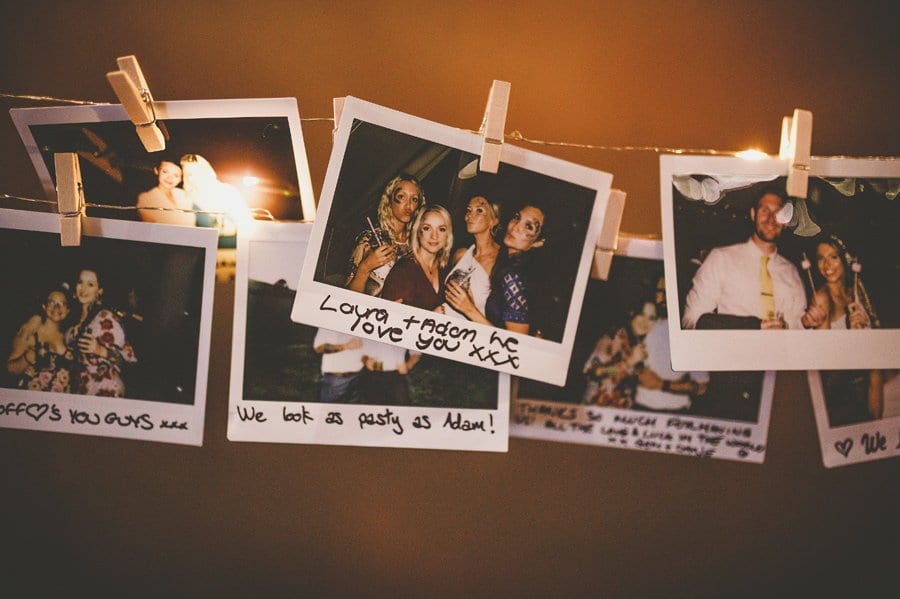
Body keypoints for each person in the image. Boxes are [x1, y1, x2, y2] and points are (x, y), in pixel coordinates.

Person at [681, 187, 807, 330]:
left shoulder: (791, 272)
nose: (771, 219)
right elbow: (691, 320)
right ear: (753, 214)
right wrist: (753, 327)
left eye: (778, 212)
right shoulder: (721, 259)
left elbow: (798, 327)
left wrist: (805, 323)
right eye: (765, 210)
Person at [801, 234, 883, 425]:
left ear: (845, 259)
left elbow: (876, 359)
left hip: (870, 386)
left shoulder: (856, 291)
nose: (826, 265)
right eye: (821, 258)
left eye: (833, 257)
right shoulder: (822, 298)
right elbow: (827, 365)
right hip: (842, 398)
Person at [445, 203, 545, 335]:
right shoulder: (508, 266)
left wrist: (469, 309)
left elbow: (515, 344)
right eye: (516, 217)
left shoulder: (514, 277)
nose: (515, 227)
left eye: (529, 226)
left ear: (538, 242)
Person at [633, 278, 708, 413]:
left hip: (673, 412)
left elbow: (702, 387)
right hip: (638, 407)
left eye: (668, 291)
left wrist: (661, 385)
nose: (663, 297)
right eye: (659, 291)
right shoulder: (649, 322)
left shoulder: (689, 331)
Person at [346, 174, 425, 296]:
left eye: (414, 199)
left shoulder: (417, 244)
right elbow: (347, 295)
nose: (409, 205)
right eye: (402, 197)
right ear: (389, 199)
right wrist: (365, 267)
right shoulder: (369, 240)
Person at [66, 268, 137, 397]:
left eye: (90, 284)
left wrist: (99, 349)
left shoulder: (105, 317)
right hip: (81, 388)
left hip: (105, 389)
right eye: (80, 282)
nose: (83, 288)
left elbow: (126, 360)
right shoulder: (72, 316)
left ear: (99, 291)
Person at [381, 205, 453, 310]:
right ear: (418, 232)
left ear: (447, 235)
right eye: (427, 228)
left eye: (441, 229)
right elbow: (387, 318)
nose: (434, 236)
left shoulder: (445, 271)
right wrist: (430, 318)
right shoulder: (404, 271)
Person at [440, 195, 500, 319]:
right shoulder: (460, 254)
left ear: (493, 221)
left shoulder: (501, 260)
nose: (470, 215)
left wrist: (469, 307)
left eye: (479, 210)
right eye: (468, 210)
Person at [7, 286, 74, 393]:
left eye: (62, 304)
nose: (57, 307)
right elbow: (10, 369)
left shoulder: (69, 337)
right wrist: (27, 358)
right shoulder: (31, 331)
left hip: (61, 404)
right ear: (44, 306)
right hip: (33, 402)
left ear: (68, 310)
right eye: (52, 303)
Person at [181, 153, 250, 240]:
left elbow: (246, 222)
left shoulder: (227, 191)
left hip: (232, 246)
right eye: (186, 174)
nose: (188, 178)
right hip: (205, 246)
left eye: (192, 173)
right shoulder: (189, 197)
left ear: (205, 171)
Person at [358, 339, 421, 406]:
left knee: (400, 408)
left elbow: (416, 353)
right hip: (372, 374)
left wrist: (408, 366)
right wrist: (365, 360)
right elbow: (359, 352)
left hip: (396, 375)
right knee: (372, 408)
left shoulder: (406, 331)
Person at [136, 158, 196, 226]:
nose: (169, 178)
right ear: (157, 170)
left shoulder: (183, 195)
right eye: (165, 172)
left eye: (176, 175)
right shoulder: (146, 198)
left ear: (181, 179)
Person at [313, 329, 364, 403]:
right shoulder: (329, 323)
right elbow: (319, 348)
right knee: (329, 411)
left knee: (352, 411)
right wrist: (346, 346)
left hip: (357, 377)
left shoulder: (361, 324)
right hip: (335, 379)